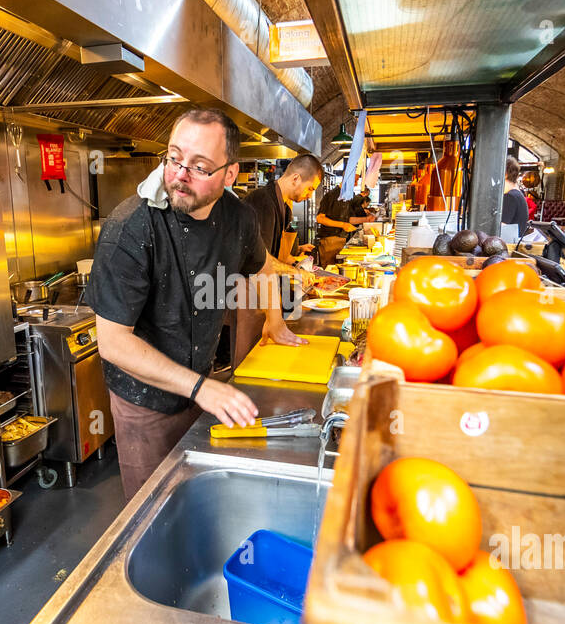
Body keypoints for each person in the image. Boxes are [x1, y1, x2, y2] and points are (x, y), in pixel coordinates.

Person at [86, 108, 303, 498]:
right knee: (151, 511)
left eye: (200, 167)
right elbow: (114, 342)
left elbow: (263, 266)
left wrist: (275, 320)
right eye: (173, 158)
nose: (180, 174)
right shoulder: (131, 228)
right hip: (145, 403)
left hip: (198, 386)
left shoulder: (238, 217)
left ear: (229, 174)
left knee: (195, 494)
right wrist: (201, 387)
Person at [236, 155, 323, 365]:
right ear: (295, 178)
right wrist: (296, 272)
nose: (310, 196)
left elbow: (276, 254)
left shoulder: (284, 207)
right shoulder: (263, 202)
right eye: (310, 189)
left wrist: (294, 263)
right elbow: (260, 259)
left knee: (265, 350)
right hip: (244, 286)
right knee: (249, 356)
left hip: (262, 285)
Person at [315, 181, 374, 266]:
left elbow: (348, 219)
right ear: (347, 177)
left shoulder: (347, 196)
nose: (356, 184)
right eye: (355, 180)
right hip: (330, 240)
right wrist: (343, 225)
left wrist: (366, 219)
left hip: (341, 239)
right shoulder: (332, 195)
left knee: (337, 272)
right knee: (330, 272)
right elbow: (320, 218)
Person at [502, 156, 529, 230]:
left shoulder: (510, 197)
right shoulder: (517, 194)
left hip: (508, 241)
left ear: (505, 174)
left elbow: (501, 228)